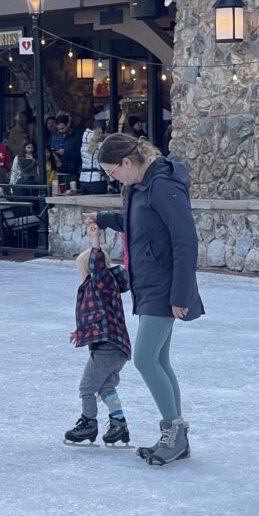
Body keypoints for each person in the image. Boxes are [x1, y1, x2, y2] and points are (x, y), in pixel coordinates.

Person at [84, 133, 204, 466]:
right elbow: (138, 224)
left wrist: (180, 294)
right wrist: (105, 219)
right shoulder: (140, 188)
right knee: (160, 360)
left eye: (112, 172)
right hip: (148, 284)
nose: (112, 178)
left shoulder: (164, 187)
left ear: (127, 162)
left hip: (164, 287)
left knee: (145, 359)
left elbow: (185, 241)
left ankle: (175, 432)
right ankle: (176, 435)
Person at [64, 221, 132, 446]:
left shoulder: (102, 282)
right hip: (116, 347)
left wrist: (95, 239)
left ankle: (88, 423)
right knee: (106, 387)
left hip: (108, 346)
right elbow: (93, 316)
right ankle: (119, 424)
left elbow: (97, 264)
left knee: (86, 388)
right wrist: (79, 331)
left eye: (82, 270)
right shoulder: (95, 291)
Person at [49, 113, 82, 179]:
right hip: (57, 169)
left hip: (71, 170)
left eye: (62, 128)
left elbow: (80, 154)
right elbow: (50, 147)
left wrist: (66, 153)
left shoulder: (77, 135)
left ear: (68, 124)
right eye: (59, 129)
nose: (60, 131)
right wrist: (54, 151)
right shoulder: (55, 135)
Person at [79, 122, 107, 196]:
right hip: (97, 180)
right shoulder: (101, 144)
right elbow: (102, 164)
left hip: (83, 180)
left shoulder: (84, 141)